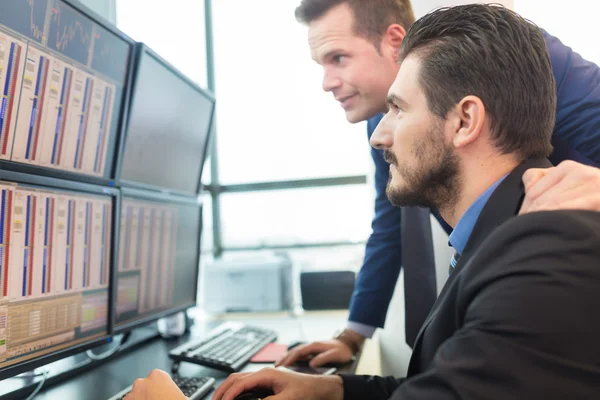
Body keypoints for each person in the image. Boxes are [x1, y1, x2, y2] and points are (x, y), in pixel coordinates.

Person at [210, 5, 600, 399]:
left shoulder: (517, 58)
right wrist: (346, 352)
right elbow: (389, 227)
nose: (327, 82)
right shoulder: (390, 122)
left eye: (338, 58)